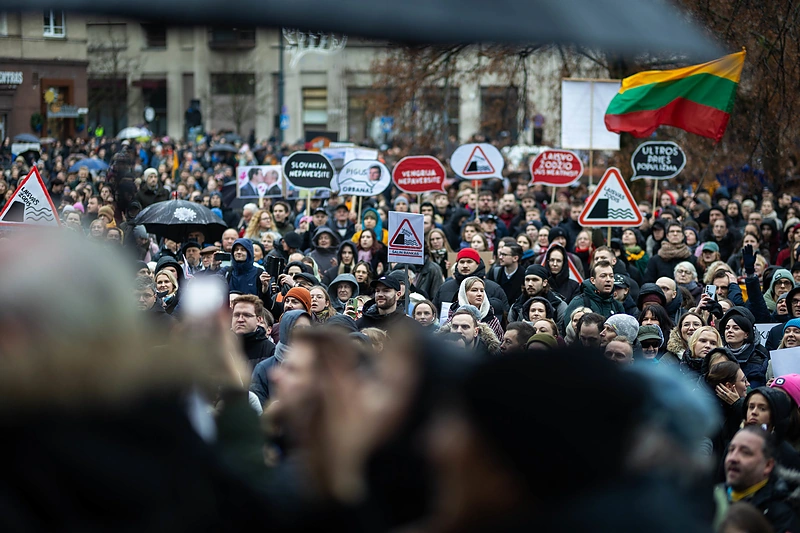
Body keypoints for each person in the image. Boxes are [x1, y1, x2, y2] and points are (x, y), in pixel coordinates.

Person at [716, 426, 800, 533]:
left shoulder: (781, 516)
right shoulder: (712, 498)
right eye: (731, 450)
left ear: (768, 465)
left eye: (745, 452)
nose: (733, 458)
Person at [249, 309, 312, 406]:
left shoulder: (317, 366)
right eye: (298, 328)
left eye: (308, 329)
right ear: (286, 330)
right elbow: (257, 410)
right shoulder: (264, 369)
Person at [433, 247, 509, 319]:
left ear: (478, 264)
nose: (465, 266)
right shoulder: (445, 288)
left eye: (469, 262)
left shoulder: (494, 289)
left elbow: (505, 315)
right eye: (462, 262)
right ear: (457, 265)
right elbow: (435, 313)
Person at [719, 307, 770, 388]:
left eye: (736, 328)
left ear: (746, 334)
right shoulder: (718, 355)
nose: (729, 331)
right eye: (727, 328)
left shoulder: (757, 358)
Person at [508, 264, 567, 330]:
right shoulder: (516, 307)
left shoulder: (559, 306)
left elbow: (562, 333)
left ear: (544, 282)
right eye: (527, 280)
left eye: (535, 280)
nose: (530, 284)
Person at [231, 294, 275, 368]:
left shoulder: (270, 350)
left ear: (258, 320)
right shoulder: (222, 347)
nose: (240, 319)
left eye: (247, 315)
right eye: (236, 315)